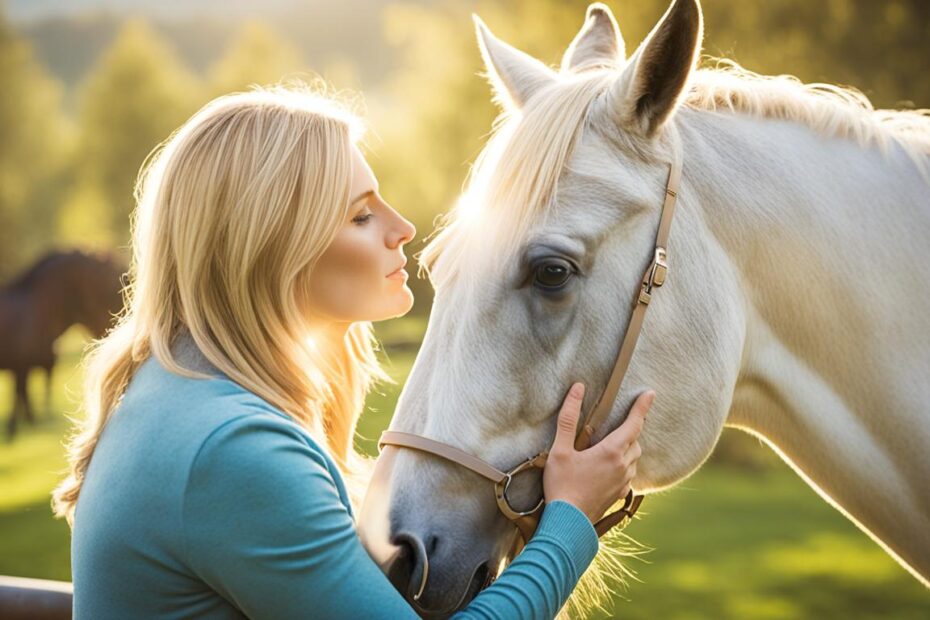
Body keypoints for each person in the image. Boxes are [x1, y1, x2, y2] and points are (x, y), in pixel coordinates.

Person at [51, 82, 654, 619]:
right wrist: (570, 518)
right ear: (275, 246)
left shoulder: (177, 394)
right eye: (362, 215)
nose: (404, 228)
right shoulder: (231, 450)